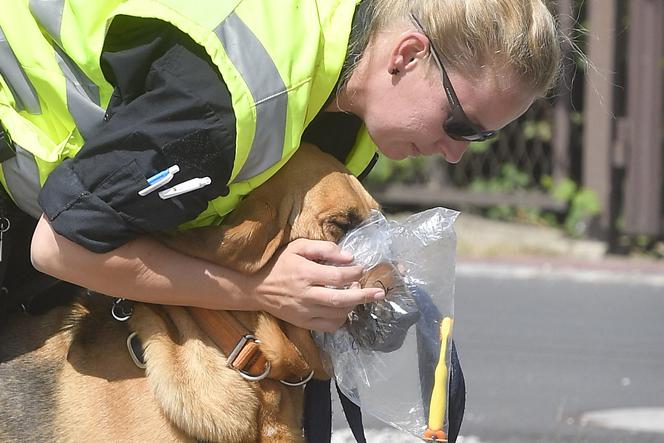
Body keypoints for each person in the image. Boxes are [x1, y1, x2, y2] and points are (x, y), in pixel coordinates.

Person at [0, 0, 561, 441]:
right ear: (407, 54)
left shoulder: (349, 99)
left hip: (90, 188)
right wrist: (260, 290)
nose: (457, 153)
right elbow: (62, 247)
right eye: (460, 122)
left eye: (482, 137)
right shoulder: (227, 104)